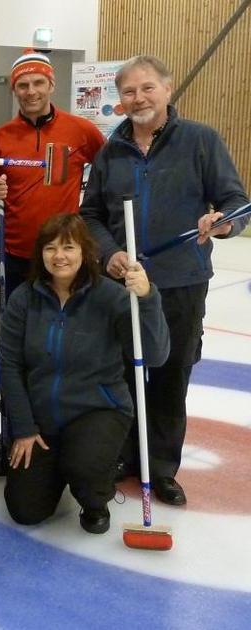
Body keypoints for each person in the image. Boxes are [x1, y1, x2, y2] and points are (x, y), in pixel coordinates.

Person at [80, 55, 250, 506]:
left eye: (147, 88)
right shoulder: (110, 150)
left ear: (168, 89)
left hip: (180, 283)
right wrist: (110, 254)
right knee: (120, 371)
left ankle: (160, 467)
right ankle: (123, 455)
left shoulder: (200, 141)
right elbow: (91, 215)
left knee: (171, 373)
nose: (138, 98)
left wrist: (222, 221)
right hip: (121, 283)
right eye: (129, 91)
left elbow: (237, 202)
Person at [0, 214, 169, 533]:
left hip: (97, 410)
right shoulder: (24, 299)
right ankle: (59, 468)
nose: (59, 255)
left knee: (85, 466)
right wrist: (22, 427)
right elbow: (9, 364)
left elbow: (154, 355)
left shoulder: (111, 296)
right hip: (42, 419)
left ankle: (94, 496)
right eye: (50, 248)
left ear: (85, 252)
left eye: (68, 247)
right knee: (25, 510)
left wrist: (147, 298)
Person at [0, 48, 105, 473]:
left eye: (38, 83)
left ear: (51, 84)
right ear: (13, 89)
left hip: (66, 262)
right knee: (15, 346)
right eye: (22, 84)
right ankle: (14, 426)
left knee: (64, 346)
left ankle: (64, 427)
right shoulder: (0, 137)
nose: (31, 91)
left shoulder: (82, 131)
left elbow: (109, 176)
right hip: (17, 259)